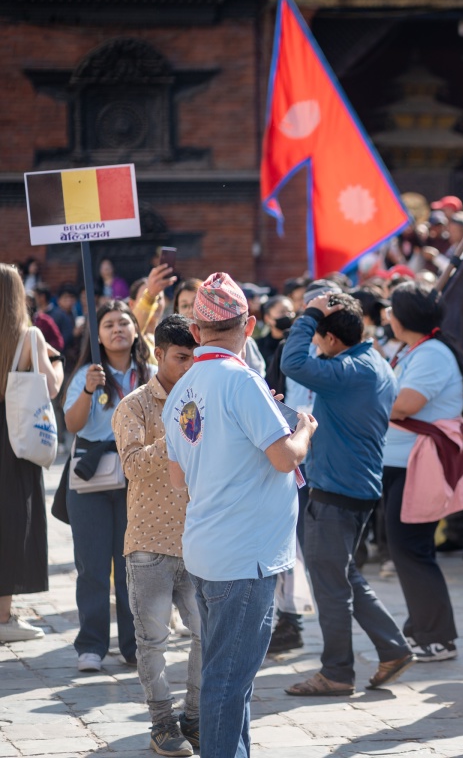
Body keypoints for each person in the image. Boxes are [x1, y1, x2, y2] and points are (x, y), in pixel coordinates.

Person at [164, 273, 316, 758]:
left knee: (229, 679)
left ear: (195, 331)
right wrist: (305, 429)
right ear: (247, 325)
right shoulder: (242, 381)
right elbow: (284, 457)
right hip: (243, 554)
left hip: (207, 547)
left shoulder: (181, 391)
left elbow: (177, 480)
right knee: (227, 683)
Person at [279, 292, 414, 694]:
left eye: (319, 337)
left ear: (333, 340)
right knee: (342, 574)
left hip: (336, 489)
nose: (316, 345)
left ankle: (336, 672)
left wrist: (310, 314)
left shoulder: (347, 370)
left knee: (330, 583)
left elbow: (292, 362)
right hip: (357, 485)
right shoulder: (373, 364)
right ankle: (392, 647)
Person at [112, 315, 201, 756]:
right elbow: (132, 467)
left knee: (207, 634)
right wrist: (180, 432)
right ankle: (162, 723)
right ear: (160, 354)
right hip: (149, 541)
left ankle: (197, 717)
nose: (189, 366)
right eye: (181, 358)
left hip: (201, 539)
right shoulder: (134, 406)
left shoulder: (204, 397)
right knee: (152, 642)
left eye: (195, 357)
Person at [383, 282, 463, 661]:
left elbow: (404, 405)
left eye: (392, 310)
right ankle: (423, 627)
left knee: (412, 548)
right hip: (402, 461)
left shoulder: (432, 355)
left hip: (417, 463)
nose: (387, 316)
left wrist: (369, 399)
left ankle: (437, 637)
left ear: (404, 317)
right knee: (407, 547)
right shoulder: (417, 350)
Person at [63, 299, 152, 672]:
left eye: (123, 323)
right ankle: (92, 645)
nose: (117, 329)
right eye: (108, 325)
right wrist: (87, 390)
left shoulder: (151, 373)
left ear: (135, 330)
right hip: (91, 480)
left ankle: (134, 646)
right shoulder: (88, 372)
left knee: (133, 565)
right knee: (93, 565)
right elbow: (72, 424)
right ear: (97, 335)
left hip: (137, 478)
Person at [0, 265, 62, 643]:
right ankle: (3, 617)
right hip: (15, 438)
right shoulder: (29, 336)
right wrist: (55, 361)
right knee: (11, 522)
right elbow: (52, 389)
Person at [255, 295, 294, 368]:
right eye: (282, 312)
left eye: (290, 312)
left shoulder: (297, 342)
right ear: (267, 318)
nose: (288, 315)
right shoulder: (259, 345)